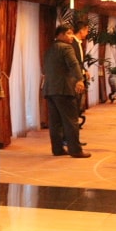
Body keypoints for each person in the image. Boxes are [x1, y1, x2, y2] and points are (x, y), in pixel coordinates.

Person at [42, 25, 90, 158]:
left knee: (55, 122)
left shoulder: (50, 49)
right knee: (71, 121)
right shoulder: (66, 48)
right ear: (60, 35)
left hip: (50, 89)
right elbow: (74, 64)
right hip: (64, 90)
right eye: (68, 33)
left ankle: (57, 149)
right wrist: (80, 79)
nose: (71, 36)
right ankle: (75, 150)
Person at [71, 20, 90, 144]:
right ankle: (71, 139)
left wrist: (84, 70)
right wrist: (79, 77)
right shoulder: (72, 43)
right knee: (73, 110)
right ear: (81, 30)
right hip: (74, 81)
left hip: (79, 77)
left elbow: (79, 62)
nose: (87, 33)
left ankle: (73, 138)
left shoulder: (78, 43)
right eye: (86, 30)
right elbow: (74, 63)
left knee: (76, 109)